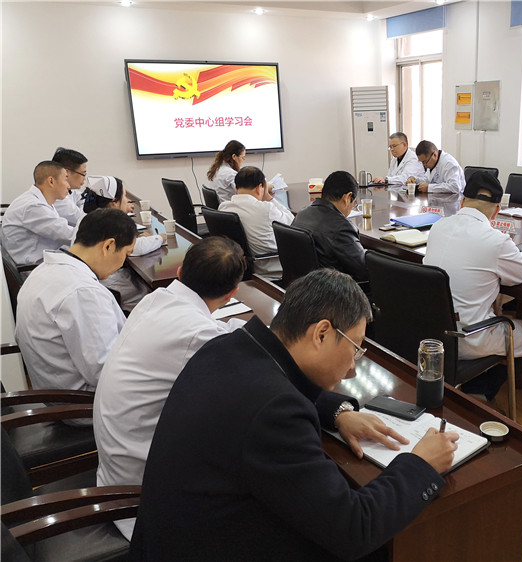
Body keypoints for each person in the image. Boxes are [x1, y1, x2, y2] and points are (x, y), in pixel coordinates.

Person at [129, 268, 458, 561]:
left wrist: (338, 412)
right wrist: (421, 465)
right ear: (322, 334)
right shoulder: (276, 413)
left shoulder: (227, 347)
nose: (352, 369)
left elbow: (276, 385)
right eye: (355, 347)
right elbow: (355, 528)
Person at [94, 237, 248, 541]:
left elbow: (214, 335)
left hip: (115, 465)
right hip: (141, 495)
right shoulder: (197, 334)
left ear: (179, 271)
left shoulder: (155, 300)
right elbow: (243, 371)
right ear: (232, 293)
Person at [424, 171, 522, 395]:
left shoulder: (437, 227)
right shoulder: (496, 240)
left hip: (431, 331)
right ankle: (480, 387)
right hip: (467, 339)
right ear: (496, 211)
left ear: (462, 202)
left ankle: (475, 381)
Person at [15, 208, 137, 392]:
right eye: (126, 254)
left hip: (53, 388)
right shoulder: (83, 292)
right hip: (83, 399)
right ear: (109, 246)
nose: (122, 264)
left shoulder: (42, 271)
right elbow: (105, 371)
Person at [77, 175, 165, 311]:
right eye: (124, 196)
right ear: (113, 202)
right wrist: (160, 238)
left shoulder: (91, 216)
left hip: (96, 278)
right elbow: (137, 248)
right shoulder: (108, 220)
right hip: (108, 283)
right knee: (152, 294)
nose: (127, 200)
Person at [292, 171, 369, 286]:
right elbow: (364, 270)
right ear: (347, 197)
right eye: (354, 202)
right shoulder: (341, 227)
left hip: (302, 287)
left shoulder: (302, 213)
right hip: (333, 291)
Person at [218, 165, 294, 277]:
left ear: (236, 189)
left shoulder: (224, 207)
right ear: (259, 187)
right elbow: (292, 222)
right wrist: (269, 197)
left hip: (244, 266)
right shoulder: (266, 209)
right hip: (272, 267)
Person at [1, 160, 75, 266]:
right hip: (33, 268)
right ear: (51, 181)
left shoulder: (39, 201)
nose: (68, 186)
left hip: (45, 261)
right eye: (66, 180)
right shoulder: (32, 206)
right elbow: (67, 234)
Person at [51, 147, 88, 225]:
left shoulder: (71, 191)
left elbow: (84, 201)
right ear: (66, 172)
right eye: (83, 174)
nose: (84, 178)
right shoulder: (57, 197)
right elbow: (83, 220)